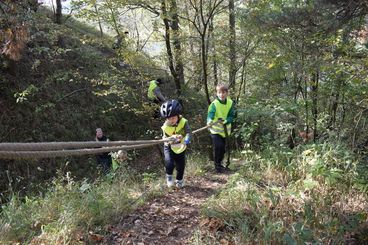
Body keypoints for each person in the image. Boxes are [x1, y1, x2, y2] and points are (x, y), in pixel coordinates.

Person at [160, 99, 191, 188]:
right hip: (169, 147)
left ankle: (179, 180)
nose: (171, 120)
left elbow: (189, 132)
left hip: (181, 146)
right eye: (169, 118)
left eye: (173, 118)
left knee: (181, 165)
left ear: (178, 116)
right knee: (169, 163)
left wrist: (186, 140)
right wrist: (170, 139)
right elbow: (164, 139)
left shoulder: (184, 122)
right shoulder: (165, 127)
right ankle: (169, 177)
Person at [207, 83, 235, 173]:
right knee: (218, 146)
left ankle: (220, 164)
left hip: (225, 131)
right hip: (215, 130)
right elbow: (210, 114)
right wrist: (209, 121)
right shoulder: (214, 104)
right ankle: (217, 166)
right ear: (217, 93)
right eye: (219, 92)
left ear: (227, 93)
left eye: (223, 92)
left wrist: (227, 121)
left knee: (222, 148)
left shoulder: (230, 103)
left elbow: (231, 116)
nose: (221, 95)